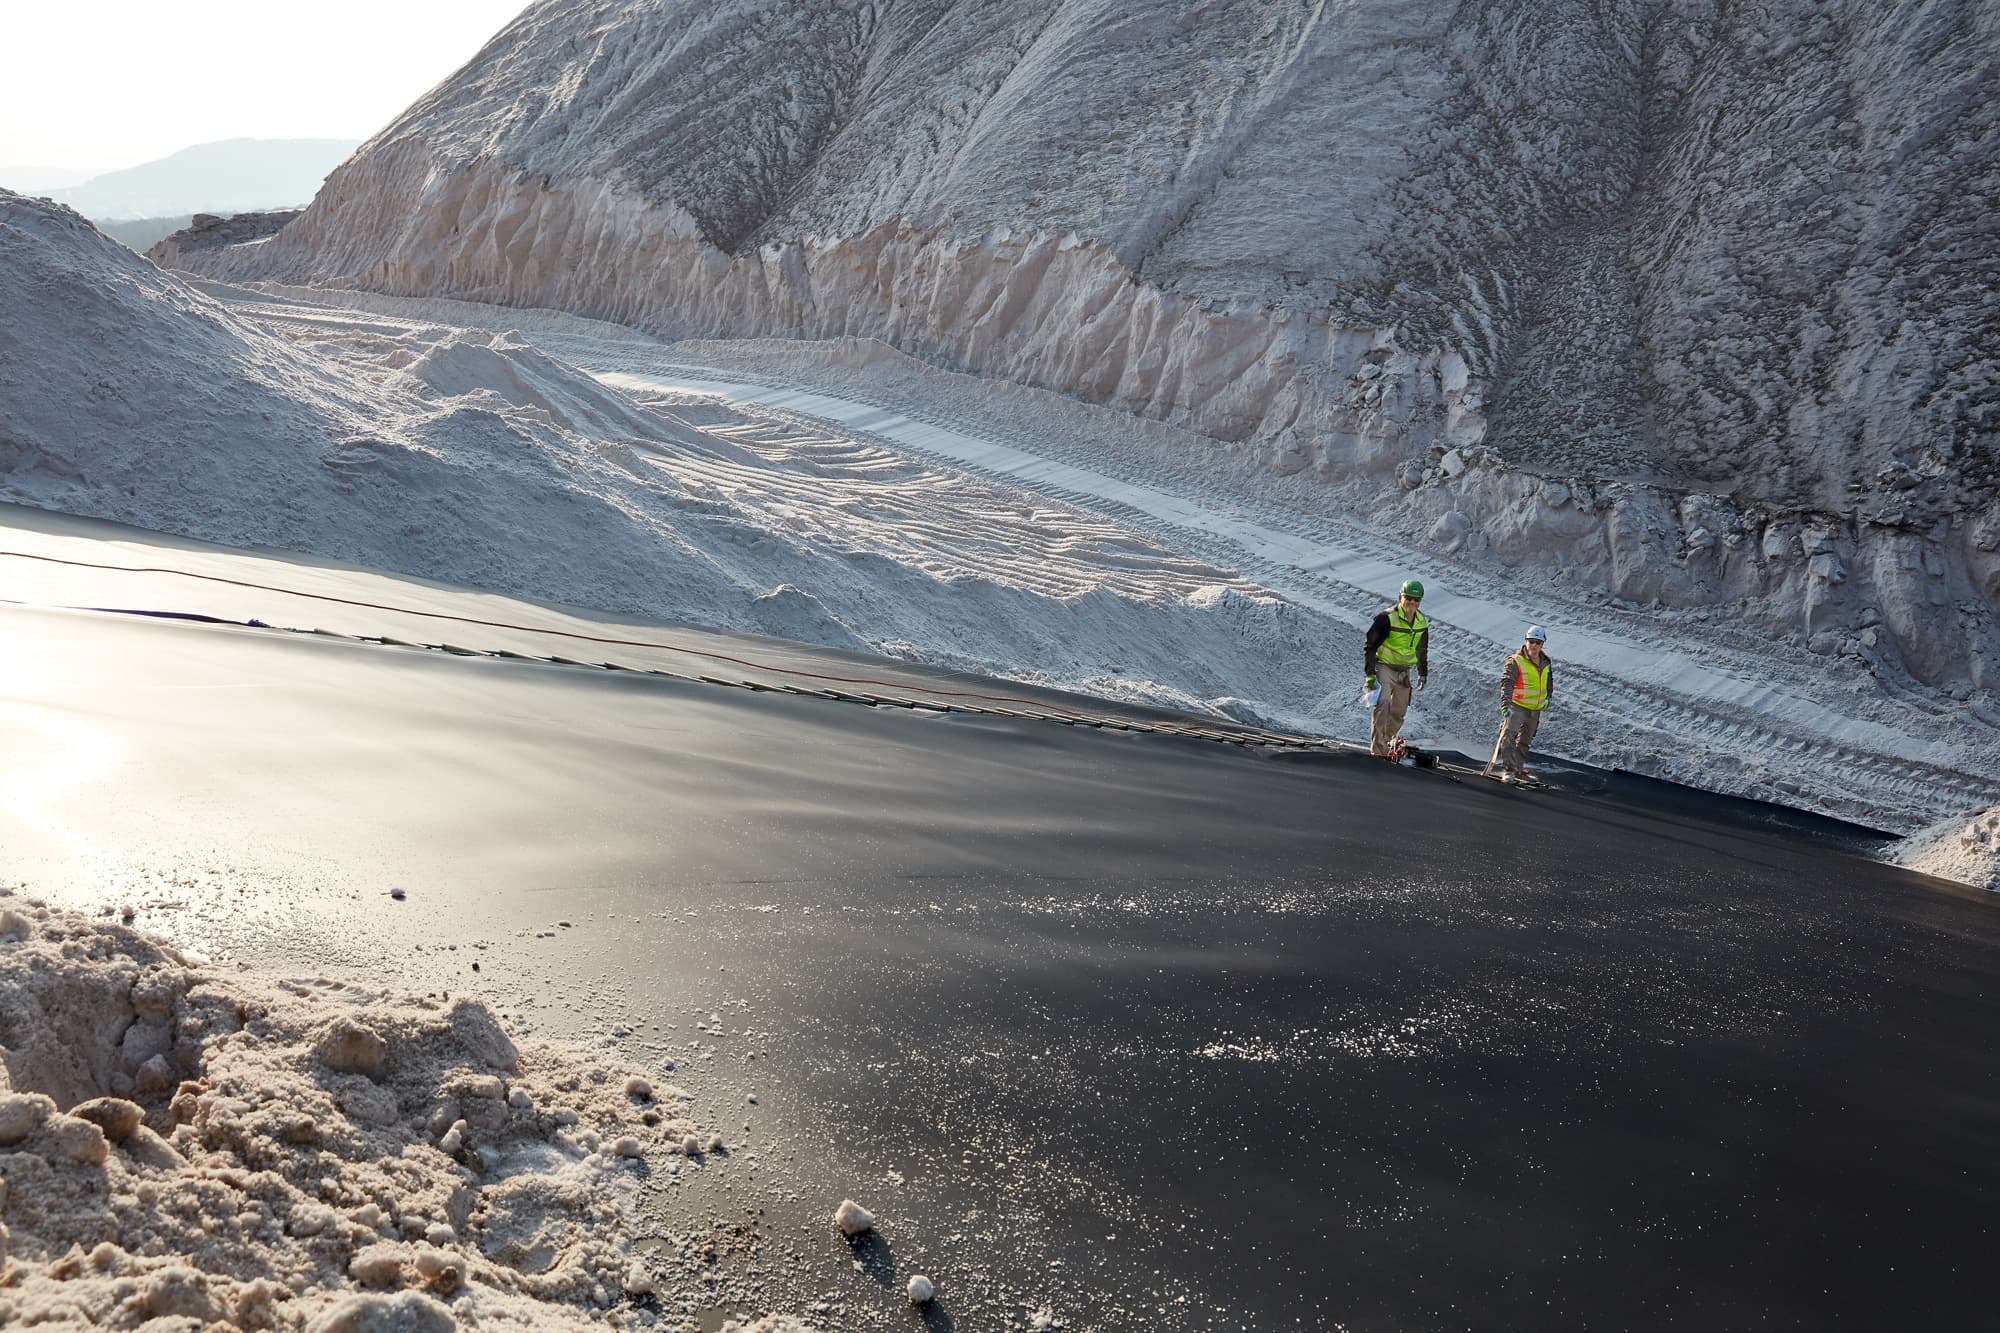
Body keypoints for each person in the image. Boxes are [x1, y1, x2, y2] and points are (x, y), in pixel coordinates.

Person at [1363, 579, 1429, 757]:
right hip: (1384, 667)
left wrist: (1422, 673)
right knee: (1383, 704)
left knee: (1399, 712)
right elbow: (1370, 645)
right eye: (1409, 598)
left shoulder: (1422, 622)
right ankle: (1378, 753)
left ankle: (1386, 742)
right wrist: (1369, 674)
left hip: (1404, 672)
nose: (1412, 603)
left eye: (1416, 600)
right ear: (1400, 597)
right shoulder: (1386, 618)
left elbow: (1422, 649)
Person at [1491, 625, 1554, 783]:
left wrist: (1548, 698)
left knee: (1525, 741)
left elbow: (1549, 681)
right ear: (1526, 641)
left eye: (1538, 642)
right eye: (1531, 641)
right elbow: (1507, 683)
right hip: (1517, 706)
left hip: (1535, 709)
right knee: (1509, 737)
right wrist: (1506, 705)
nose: (1534, 645)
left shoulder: (1546, 661)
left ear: (1542, 644)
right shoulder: (1515, 661)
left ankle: (1518, 769)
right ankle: (1509, 770)